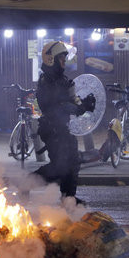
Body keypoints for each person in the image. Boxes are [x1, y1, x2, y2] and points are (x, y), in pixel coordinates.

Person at [33, 41, 95, 204]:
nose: (64, 61)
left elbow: (71, 102)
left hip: (62, 128)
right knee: (59, 167)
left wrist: (85, 105)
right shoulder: (47, 81)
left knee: (73, 162)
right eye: (61, 58)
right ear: (50, 59)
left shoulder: (61, 79)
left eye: (64, 58)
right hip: (52, 129)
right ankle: (27, 182)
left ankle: (68, 198)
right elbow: (58, 105)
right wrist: (75, 108)